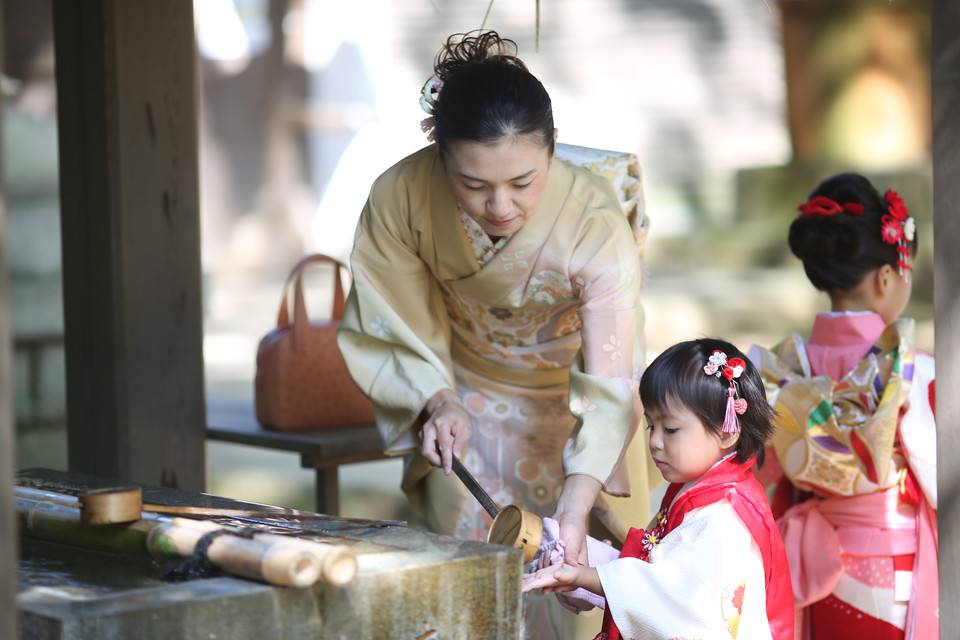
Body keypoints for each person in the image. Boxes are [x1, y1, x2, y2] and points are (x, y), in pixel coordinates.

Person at [336, 31, 657, 637]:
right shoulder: (401, 196)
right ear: (438, 149)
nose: (500, 206)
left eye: (523, 182)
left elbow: (612, 380)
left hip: (577, 416)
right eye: (474, 185)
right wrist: (439, 399)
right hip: (466, 400)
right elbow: (395, 319)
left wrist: (576, 504)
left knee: (582, 593)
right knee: (467, 597)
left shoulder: (593, 219)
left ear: (554, 148)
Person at [749, 173, 937, 639]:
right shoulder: (910, 367)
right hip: (895, 568)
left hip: (816, 567)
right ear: (887, 276)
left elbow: (766, 469)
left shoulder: (783, 366)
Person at [523, 338, 795, 640]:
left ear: (727, 431)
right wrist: (583, 562)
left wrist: (586, 576)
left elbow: (672, 596)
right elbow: (657, 570)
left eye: (671, 430)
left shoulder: (723, 519)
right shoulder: (705, 490)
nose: (654, 442)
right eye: (651, 426)